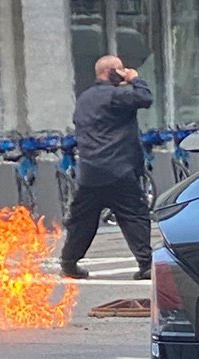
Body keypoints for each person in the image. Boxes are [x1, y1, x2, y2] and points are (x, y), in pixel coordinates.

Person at [60, 55, 154, 281]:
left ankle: (69, 263)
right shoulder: (115, 95)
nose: (124, 72)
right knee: (134, 216)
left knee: (82, 220)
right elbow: (145, 98)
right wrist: (135, 78)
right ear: (109, 72)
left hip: (90, 171)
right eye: (120, 69)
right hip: (118, 169)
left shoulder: (85, 98)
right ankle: (146, 264)